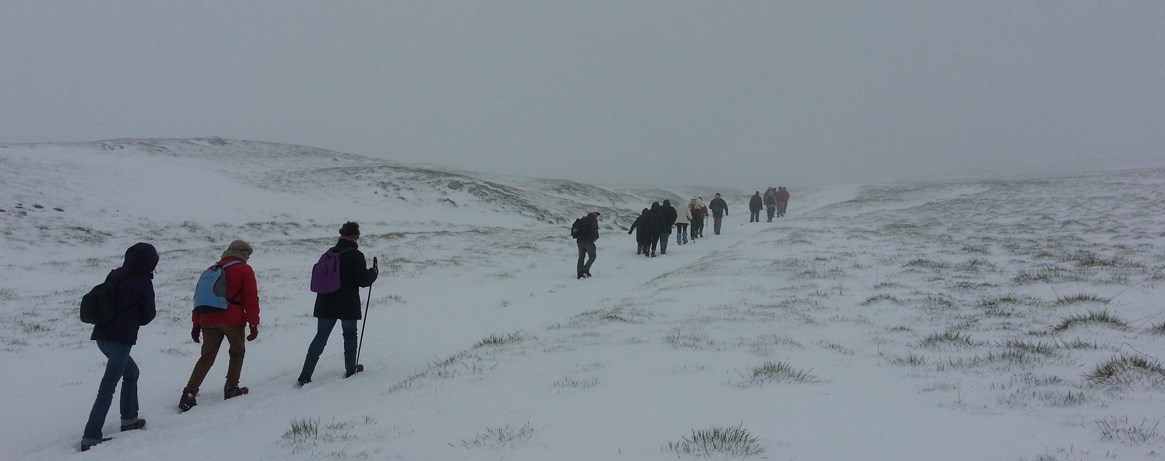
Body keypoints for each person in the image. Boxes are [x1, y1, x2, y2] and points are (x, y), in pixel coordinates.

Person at [80, 242, 158, 452]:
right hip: (121, 340)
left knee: (132, 372)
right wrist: (133, 320)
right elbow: (149, 313)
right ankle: (91, 436)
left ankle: (129, 419)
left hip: (101, 337)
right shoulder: (143, 281)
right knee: (107, 388)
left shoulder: (115, 275)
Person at [179, 240, 260, 412]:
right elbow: (251, 299)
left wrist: (196, 324)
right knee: (237, 352)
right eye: (248, 255)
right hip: (233, 319)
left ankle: (189, 393)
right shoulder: (245, 270)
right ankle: (231, 388)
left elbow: (199, 299)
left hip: (208, 319)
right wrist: (253, 324)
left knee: (206, 357)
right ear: (244, 253)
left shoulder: (211, 269)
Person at [297, 222, 379, 385]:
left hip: (325, 302)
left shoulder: (329, 253)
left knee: (321, 335)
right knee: (349, 334)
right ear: (355, 236)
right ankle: (350, 368)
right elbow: (363, 281)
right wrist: (374, 272)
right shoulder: (356, 255)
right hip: (347, 303)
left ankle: (306, 373)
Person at [574, 212, 600, 278]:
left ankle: (579, 273)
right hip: (588, 242)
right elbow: (595, 230)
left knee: (581, 257)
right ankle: (585, 270)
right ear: (595, 215)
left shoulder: (582, 220)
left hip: (579, 241)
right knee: (592, 256)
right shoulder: (593, 220)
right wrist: (596, 238)